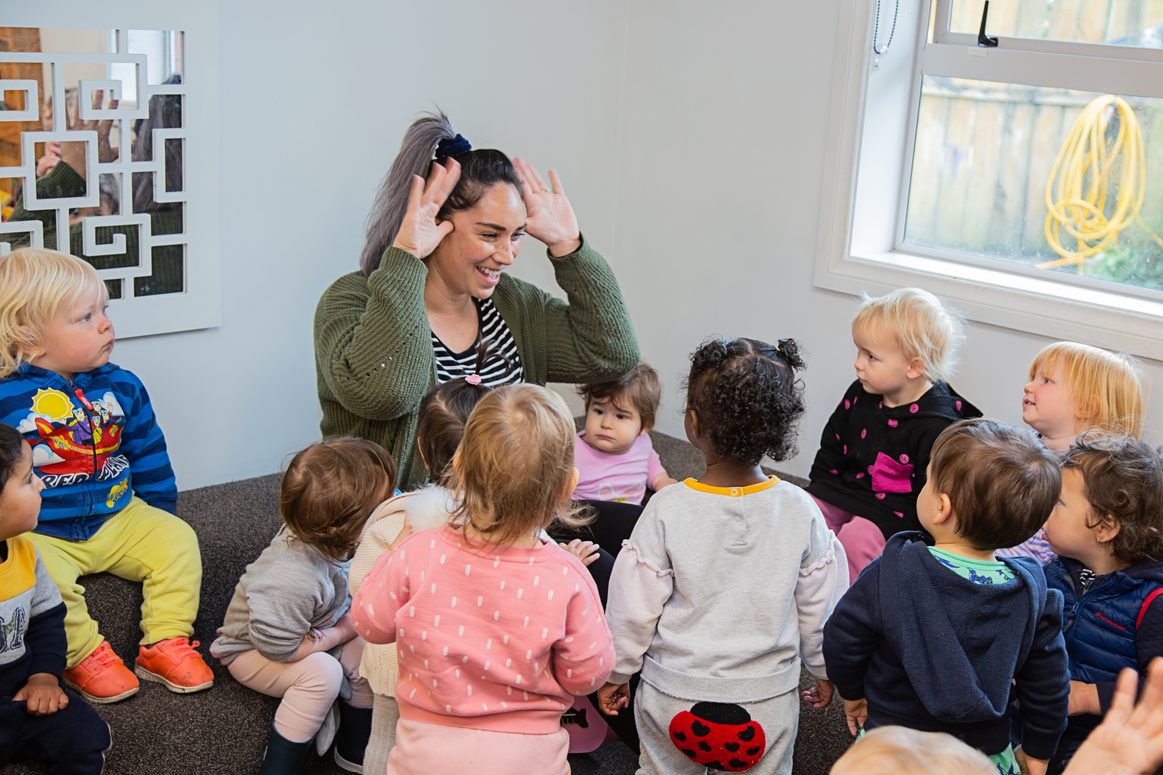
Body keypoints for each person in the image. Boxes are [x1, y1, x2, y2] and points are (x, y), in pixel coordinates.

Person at [314, 111, 640, 492]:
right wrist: (405, 257)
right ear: (435, 223)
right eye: (490, 235)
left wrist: (569, 248)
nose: (508, 254)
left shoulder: (514, 305)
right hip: (393, 531)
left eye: (517, 235)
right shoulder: (351, 300)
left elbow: (613, 352)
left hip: (504, 521)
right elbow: (386, 393)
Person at [598, 337, 848, 775]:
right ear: (779, 430)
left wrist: (618, 671)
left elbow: (632, 607)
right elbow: (822, 607)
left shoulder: (666, 507)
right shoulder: (801, 510)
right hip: (765, 703)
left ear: (692, 424)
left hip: (672, 697)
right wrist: (825, 667)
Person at [351, 384, 613, 775]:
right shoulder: (568, 575)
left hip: (426, 754)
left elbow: (369, 622)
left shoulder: (418, 550)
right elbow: (587, 675)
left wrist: (397, 550)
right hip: (528, 758)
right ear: (566, 487)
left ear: (458, 466)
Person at [0, 247, 211, 704]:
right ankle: (83, 655)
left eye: (104, 310)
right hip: (43, 530)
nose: (105, 324)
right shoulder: (4, 398)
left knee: (178, 541)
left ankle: (165, 640)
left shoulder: (123, 385)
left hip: (119, 514)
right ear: (29, 335)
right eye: (84, 317)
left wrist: (159, 514)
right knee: (42, 578)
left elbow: (148, 450)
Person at [823, 419, 1069, 775]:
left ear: (941, 507)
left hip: (894, 749)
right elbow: (1049, 685)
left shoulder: (891, 571)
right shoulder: (1036, 595)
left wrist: (852, 693)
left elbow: (842, 638)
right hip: (981, 757)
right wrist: (1039, 750)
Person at [212, 438, 396, 774]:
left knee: (369, 651)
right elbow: (278, 648)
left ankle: (355, 754)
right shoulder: (291, 577)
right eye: (383, 504)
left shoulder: (338, 538)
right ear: (347, 528)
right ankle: (280, 766)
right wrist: (341, 632)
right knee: (322, 675)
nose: (393, 505)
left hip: (318, 623)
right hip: (254, 649)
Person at [807, 287, 982, 580]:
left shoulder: (938, 424)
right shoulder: (861, 392)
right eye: (859, 351)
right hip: (845, 490)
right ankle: (803, 589)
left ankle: (845, 607)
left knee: (856, 540)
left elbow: (934, 498)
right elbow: (832, 444)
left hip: (896, 512)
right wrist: (817, 491)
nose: (858, 363)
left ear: (914, 367)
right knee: (802, 514)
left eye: (871, 356)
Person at [1036, 435, 1163, 774]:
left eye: (1057, 503)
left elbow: (1159, 696)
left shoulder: (1153, 602)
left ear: (1105, 526)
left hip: (1106, 751)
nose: (1044, 508)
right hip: (1038, 733)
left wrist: (1090, 697)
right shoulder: (1052, 574)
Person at [0, 423, 111, 774]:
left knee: (88, 735)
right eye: (29, 478)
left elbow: (46, 623)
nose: (41, 483)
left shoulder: (26, 554)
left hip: (22, 697)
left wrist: (45, 677)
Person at [999, 342, 1146, 565]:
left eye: (1046, 380)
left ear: (1086, 406)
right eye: (1033, 378)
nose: (1029, 387)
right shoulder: (1020, 443)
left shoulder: (1091, 477)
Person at [573, 362, 678, 506]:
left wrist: (661, 480)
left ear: (645, 426)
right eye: (599, 411)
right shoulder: (571, 451)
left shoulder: (643, 443)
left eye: (620, 416)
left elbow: (651, 464)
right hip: (587, 521)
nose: (606, 424)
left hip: (632, 519)